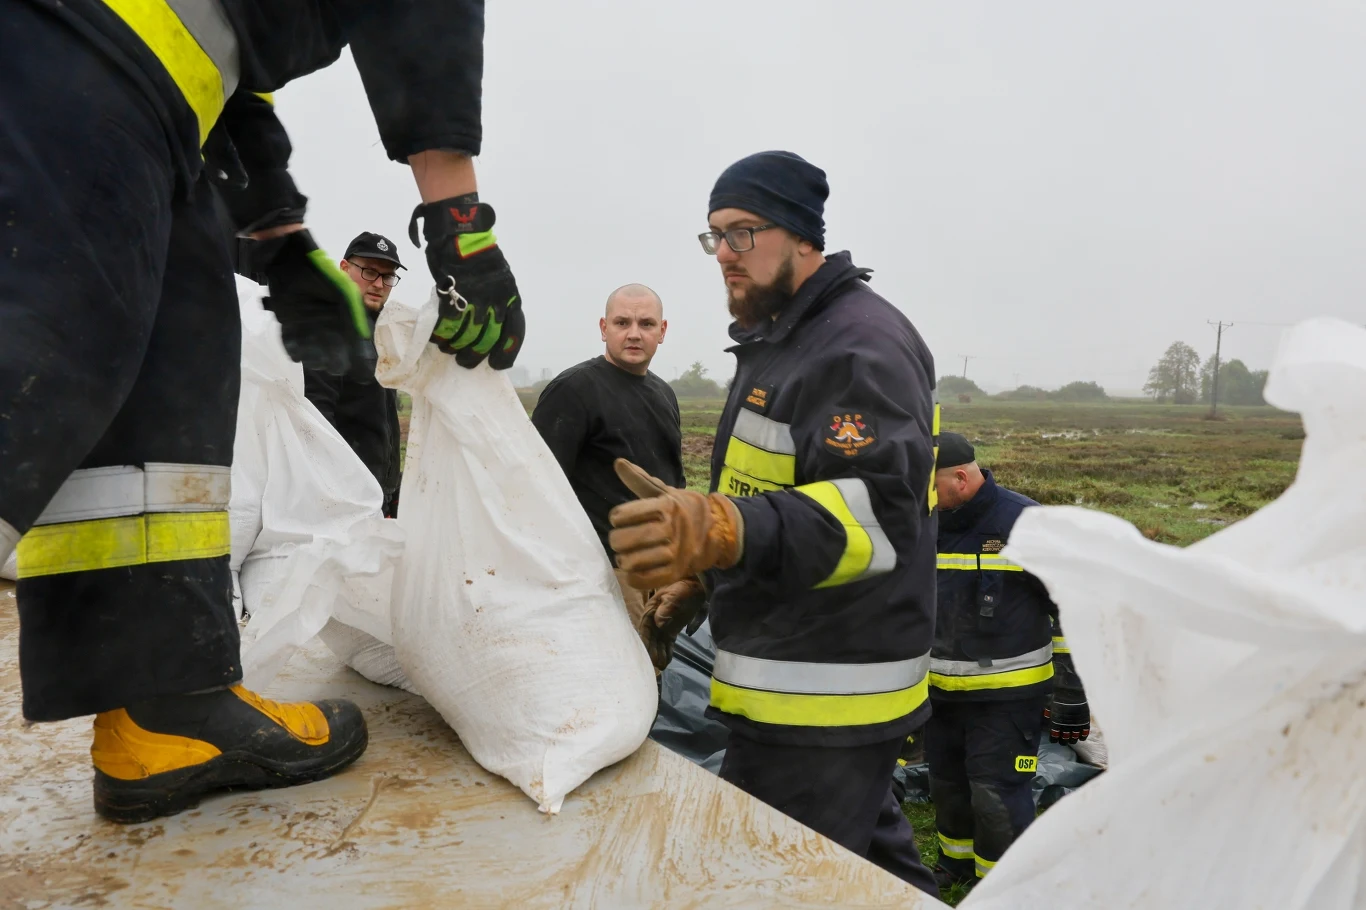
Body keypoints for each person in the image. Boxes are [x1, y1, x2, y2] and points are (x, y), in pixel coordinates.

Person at [1, 0, 524, 824]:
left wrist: (281, 243)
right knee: (32, 372)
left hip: (166, 114)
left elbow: (230, 87)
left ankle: (165, 708)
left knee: (168, 392)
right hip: (63, 45)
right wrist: (461, 221)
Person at [608, 151, 940, 895]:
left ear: (798, 234)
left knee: (772, 885)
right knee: (872, 873)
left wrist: (727, 531)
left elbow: (875, 517)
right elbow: (777, 489)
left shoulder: (857, 347)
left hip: (823, 695)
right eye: (714, 236)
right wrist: (708, 572)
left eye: (742, 233)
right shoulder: (781, 341)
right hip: (795, 677)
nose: (724, 255)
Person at [926, 432, 1090, 889]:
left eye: (929, 486)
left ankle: (1004, 888)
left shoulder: (1027, 525)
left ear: (960, 477)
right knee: (948, 787)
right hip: (936, 697)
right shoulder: (924, 522)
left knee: (996, 795)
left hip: (1007, 702)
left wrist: (1072, 694)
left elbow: (1074, 611)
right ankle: (955, 867)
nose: (922, 497)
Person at [531, 284, 683, 633]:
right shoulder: (574, 389)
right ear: (603, 328)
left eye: (646, 324)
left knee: (652, 672)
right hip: (604, 573)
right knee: (620, 676)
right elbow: (537, 487)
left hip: (659, 568)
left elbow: (674, 482)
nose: (633, 334)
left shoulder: (664, 393)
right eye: (621, 323)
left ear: (662, 331)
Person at [303, 232, 405, 518]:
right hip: (343, 499)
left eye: (388, 277)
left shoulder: (382, 333)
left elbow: (384, 420)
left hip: (376, 496)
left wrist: (391, 490)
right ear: (344, 268)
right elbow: (315, 419)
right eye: (370, 271)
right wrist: (337, 492)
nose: (379, 284)